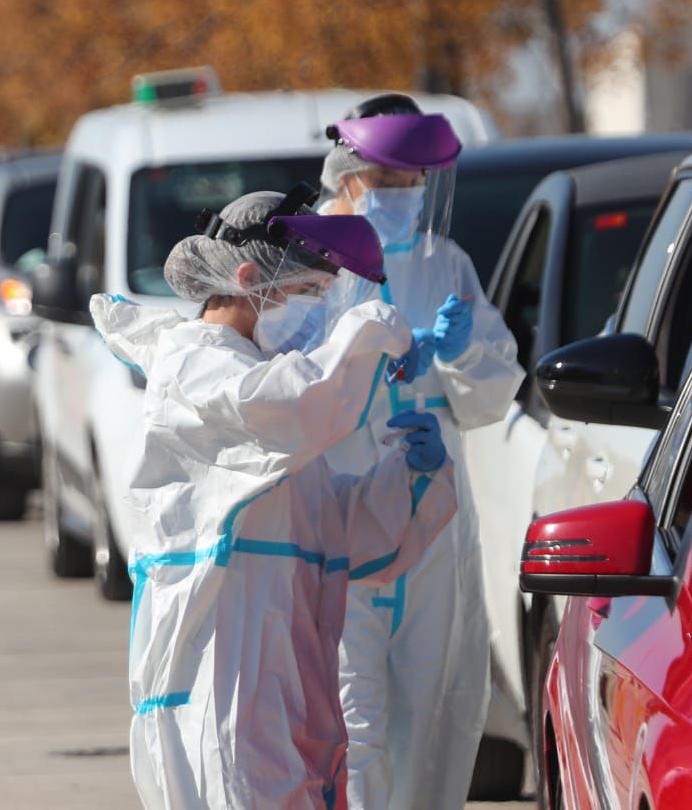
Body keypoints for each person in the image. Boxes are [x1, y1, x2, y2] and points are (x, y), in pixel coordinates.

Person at [91, 188, 459, 810]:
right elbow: (295, 405)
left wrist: (409, 481)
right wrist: (374, 330)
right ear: (248, 279)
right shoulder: (197, 373)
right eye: (309, 292)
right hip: (222, 686)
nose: (317, 312)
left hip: (278, 683)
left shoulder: (253, 382)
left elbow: (331, 537)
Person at [317, 95, 524, 810]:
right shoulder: (320, 263)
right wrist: (375, 363)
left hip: (433, 525)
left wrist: (461, 348)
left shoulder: (447, 263)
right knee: (354, 721)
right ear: (347, 177)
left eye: (412, 185)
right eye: (386, 182)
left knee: (431, 708)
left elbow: (495, 390)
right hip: (348, 517)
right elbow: (294, 385)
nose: (402, 198)